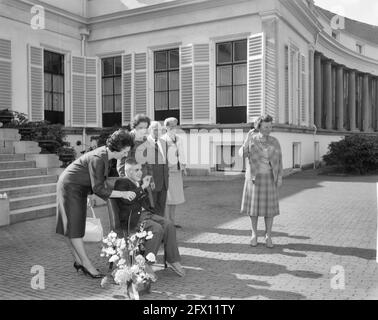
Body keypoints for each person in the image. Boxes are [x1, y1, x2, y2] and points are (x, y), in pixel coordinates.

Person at [56, 130, 136, 278]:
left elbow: (93, 180)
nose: (126, 155)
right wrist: (122, 194)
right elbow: (99, 188)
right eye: (125, 152)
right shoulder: (99, 158)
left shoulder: (104, 155)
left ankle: (79, 261)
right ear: (117, 148)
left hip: (76, 187)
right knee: (75, 228)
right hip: (70, 188)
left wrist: (88, 193)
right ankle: (86, 264)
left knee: (74, 227)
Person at [114, 159, 185, 278]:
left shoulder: (138, 182)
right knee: (157, 229)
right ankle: (146, 263)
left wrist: (144, 187)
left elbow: (143, 202)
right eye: (137, 170)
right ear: (128, 171)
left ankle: (172, 259)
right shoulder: (121, 182)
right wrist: (142, 187)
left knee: (168, 224)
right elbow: (127, 199)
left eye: (140, 169)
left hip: (146, 215)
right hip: (133, 219)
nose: (140, 172)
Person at [239, 115, 283, 248]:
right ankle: (254, 234)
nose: (268, 129)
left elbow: (280, 161)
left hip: (270, 178)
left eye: (270, 126)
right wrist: (247, 138)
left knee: (269, 210)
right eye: (265, 127)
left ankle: (268, 235)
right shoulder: (252, 139)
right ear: (259, 127)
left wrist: (280, 176)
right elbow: (242, 153)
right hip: (254, 178)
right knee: (254, 210)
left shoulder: (275, 141)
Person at [162, 117, 187, 228]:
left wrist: (184, 166)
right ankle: (167, 222)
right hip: (168, 171)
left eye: (175, 126)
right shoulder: (163, 139)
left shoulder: (179, 138)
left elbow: (182, 153)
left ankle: (172, 220)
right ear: (166, 127)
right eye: (171, 126)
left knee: (175, 197)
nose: (173, 128)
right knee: (168, 197)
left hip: (177, 170)